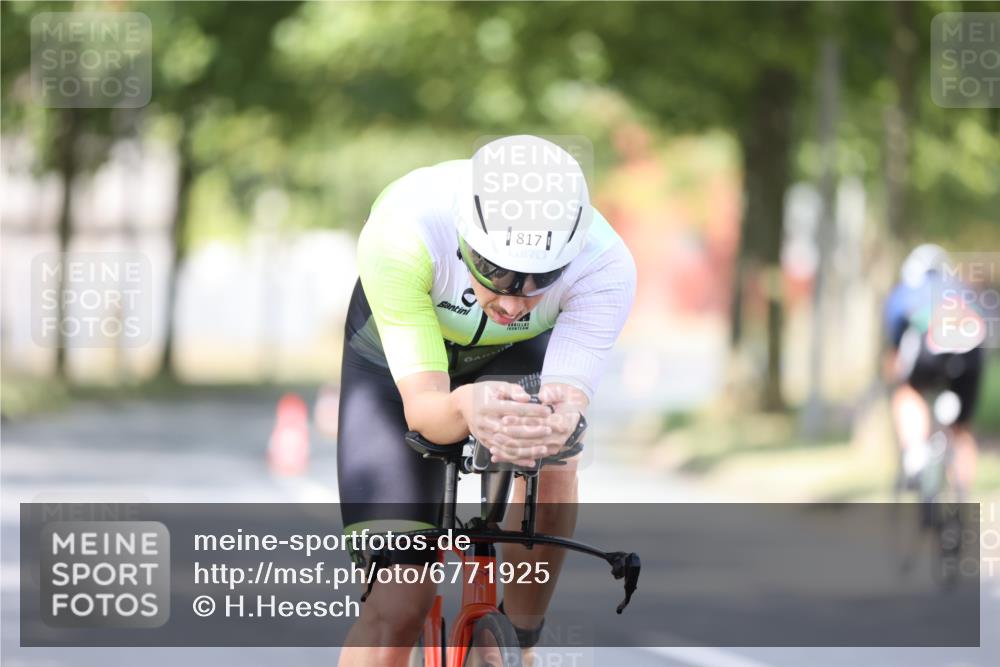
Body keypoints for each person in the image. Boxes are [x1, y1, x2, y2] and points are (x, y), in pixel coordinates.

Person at [336, 135, 636, 666]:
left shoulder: (605, 265)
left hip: (512, 357)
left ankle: (519, 643)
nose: (511, 299)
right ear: (464, 236)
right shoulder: (403, 232)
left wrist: (555, 423)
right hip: (393, 367)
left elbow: (567, 399)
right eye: (494, 270)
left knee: (558, 451)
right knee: (400, 604)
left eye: (540, 280)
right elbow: (426, 410)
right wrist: (464, 407)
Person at [883, 244, 985, 501]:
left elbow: (896, 337)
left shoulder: (907, 290)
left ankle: (915, 452)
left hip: (930, 345)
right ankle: (962, 495)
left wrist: (895, 366)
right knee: (962, 428)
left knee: (908, 392)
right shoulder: (964, 289)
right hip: (972, 351)